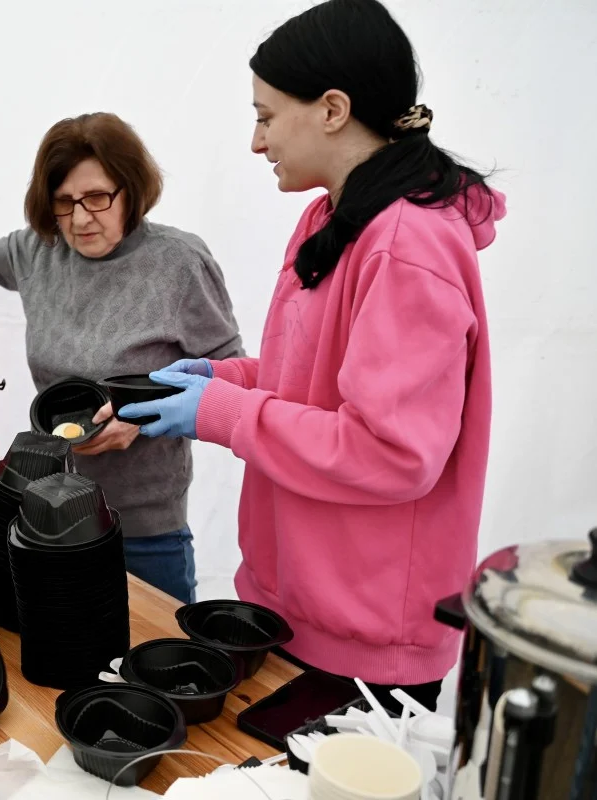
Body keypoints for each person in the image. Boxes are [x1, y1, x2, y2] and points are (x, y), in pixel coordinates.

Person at [120, 0, 503, 712]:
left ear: (332, 109)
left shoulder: (408, 245)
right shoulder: (330, 216)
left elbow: (391, 450)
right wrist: (223, 378)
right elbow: (315, 382)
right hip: (294, 604)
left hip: (366, 636)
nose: (256, 142)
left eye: (266, 117)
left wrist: (224, 412)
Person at [0, 112, 243, 604]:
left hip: (144, 529)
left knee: (155, 649)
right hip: (49, 513)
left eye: (97, 197)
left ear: (131, 189)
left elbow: (231, 379)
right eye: (63, 203)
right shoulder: (38, 250)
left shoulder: (179, 263)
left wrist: (141, 422)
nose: (80, 219)